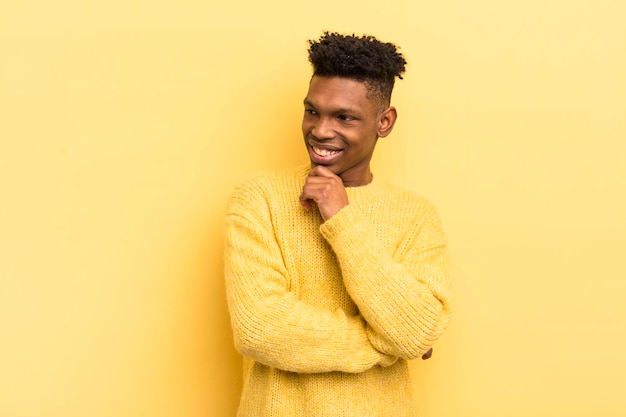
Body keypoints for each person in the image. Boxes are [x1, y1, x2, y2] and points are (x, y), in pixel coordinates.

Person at [224, 32, 452, 417]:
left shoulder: (417, 215)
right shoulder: (259, 198)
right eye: (312, 111)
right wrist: (387, 342)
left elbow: (419, 330)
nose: (321, 130)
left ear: (384, 121)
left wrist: (341, 218)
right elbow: (259, 329)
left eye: (344, 117)